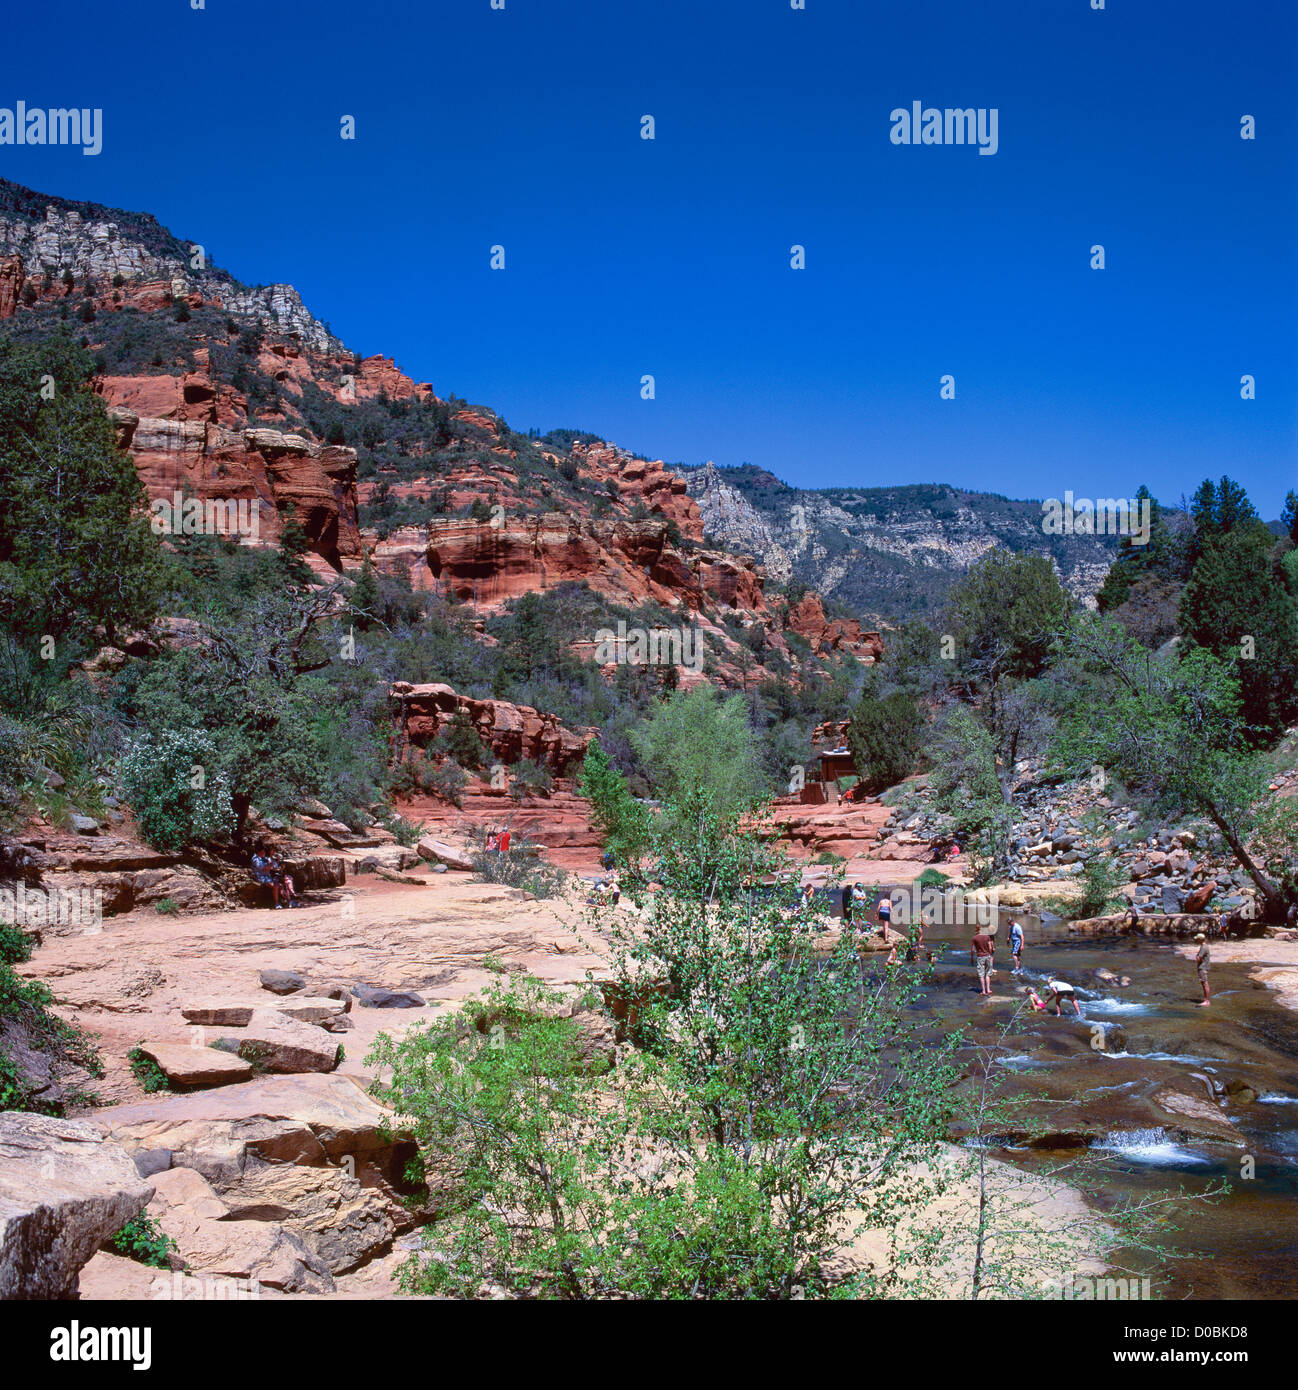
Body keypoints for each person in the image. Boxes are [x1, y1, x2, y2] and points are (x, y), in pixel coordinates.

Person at [251, 842, 282, 908]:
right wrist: (269, 866)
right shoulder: (256, 859)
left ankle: (285, 901)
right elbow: (263, 868)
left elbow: (269, 868)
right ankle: (276, 903)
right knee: (275, 886)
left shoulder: (263, 859)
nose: (264, 853)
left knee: (279, 885)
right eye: (263, 851)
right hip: (261, 877)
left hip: (267, 876)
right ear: (260, 852)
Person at [970, 927, 995, 996]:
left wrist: (971, 958)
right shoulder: (987, 937)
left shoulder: (974, 938)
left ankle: (983, 990)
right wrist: (990, 955)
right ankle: (988, 989)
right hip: (987, 956)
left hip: (980, 957)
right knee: (988, 974)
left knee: (981, 974)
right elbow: (990, 947)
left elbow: (972, 950)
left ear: (977, 930)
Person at [1194, 932, 1211, 1006]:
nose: (1196, 941)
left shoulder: (1203, 947)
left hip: (1202, 968)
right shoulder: (1204, 946)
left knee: (1205, 984)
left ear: (1200, 940)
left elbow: (1199, 959)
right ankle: (1206, 1000)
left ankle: (1207, 1001)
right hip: (1204, 967)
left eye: (1197, 939)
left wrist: (1197, 956)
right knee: (1204, 983)